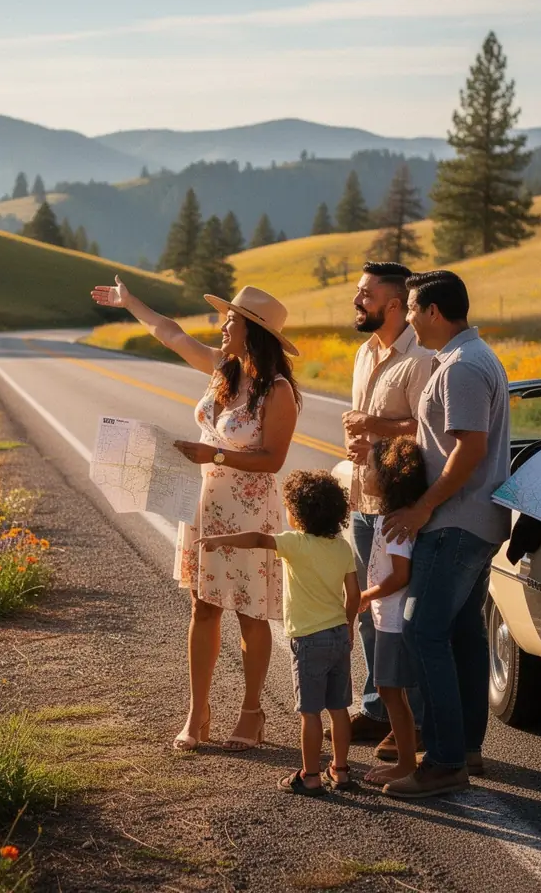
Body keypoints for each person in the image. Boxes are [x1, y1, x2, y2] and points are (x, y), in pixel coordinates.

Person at [91, 278, 301, 752]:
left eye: (232, 321)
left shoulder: (278, 391)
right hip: (204, 506)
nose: (223, 327)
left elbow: (273, 460)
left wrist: (216, 455)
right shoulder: (222, 369)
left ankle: (252, 712)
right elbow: (171, 333)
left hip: (249, 512)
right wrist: (130, 302)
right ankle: (197, 712)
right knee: (202, 606)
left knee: (250, 612)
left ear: (254, 331)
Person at [380, 270, 511, 799]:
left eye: (412, 308)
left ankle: (444, 761)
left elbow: (470, 448)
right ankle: (466, 749)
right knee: (461, 634)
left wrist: (422, 507)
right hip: (470, 520)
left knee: (422, 632)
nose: (408, 318)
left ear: (434, 311)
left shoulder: (463, 367)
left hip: (456, 522)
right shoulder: (467, 358)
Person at [198, 470, 360, 795]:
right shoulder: (342, 547)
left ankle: (310, 775)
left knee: (310, 712)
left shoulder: (294, 543)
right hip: (338, 636)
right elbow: (353, 594)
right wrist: (348, 625)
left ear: (298, 513)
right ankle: (341, 771)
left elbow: (258, 539)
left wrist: (220, 540)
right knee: (339, 708)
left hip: (309, 639)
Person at [341, 262, 433, 748]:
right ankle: (378, 709)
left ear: (394, 304)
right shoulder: (363, 353)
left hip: (399, 505)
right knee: (367, 613)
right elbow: (366, 426)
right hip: (363, 497)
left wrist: (373, 427)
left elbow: (427, 429)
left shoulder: (420, 358)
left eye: (366, 294)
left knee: (398, 615)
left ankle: (410, 722)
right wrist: (360, 441)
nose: (357, 301)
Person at [356, 436, 428, 787]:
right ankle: (406, 758)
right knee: (389, 690)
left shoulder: (395, 524)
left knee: (390, 691)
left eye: (370, 468)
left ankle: (405, 763)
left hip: (395, 623)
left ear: (388, 478)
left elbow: (401, 575)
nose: (364, 472)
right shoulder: (388, 517)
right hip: (388, 619)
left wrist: (365, 595)